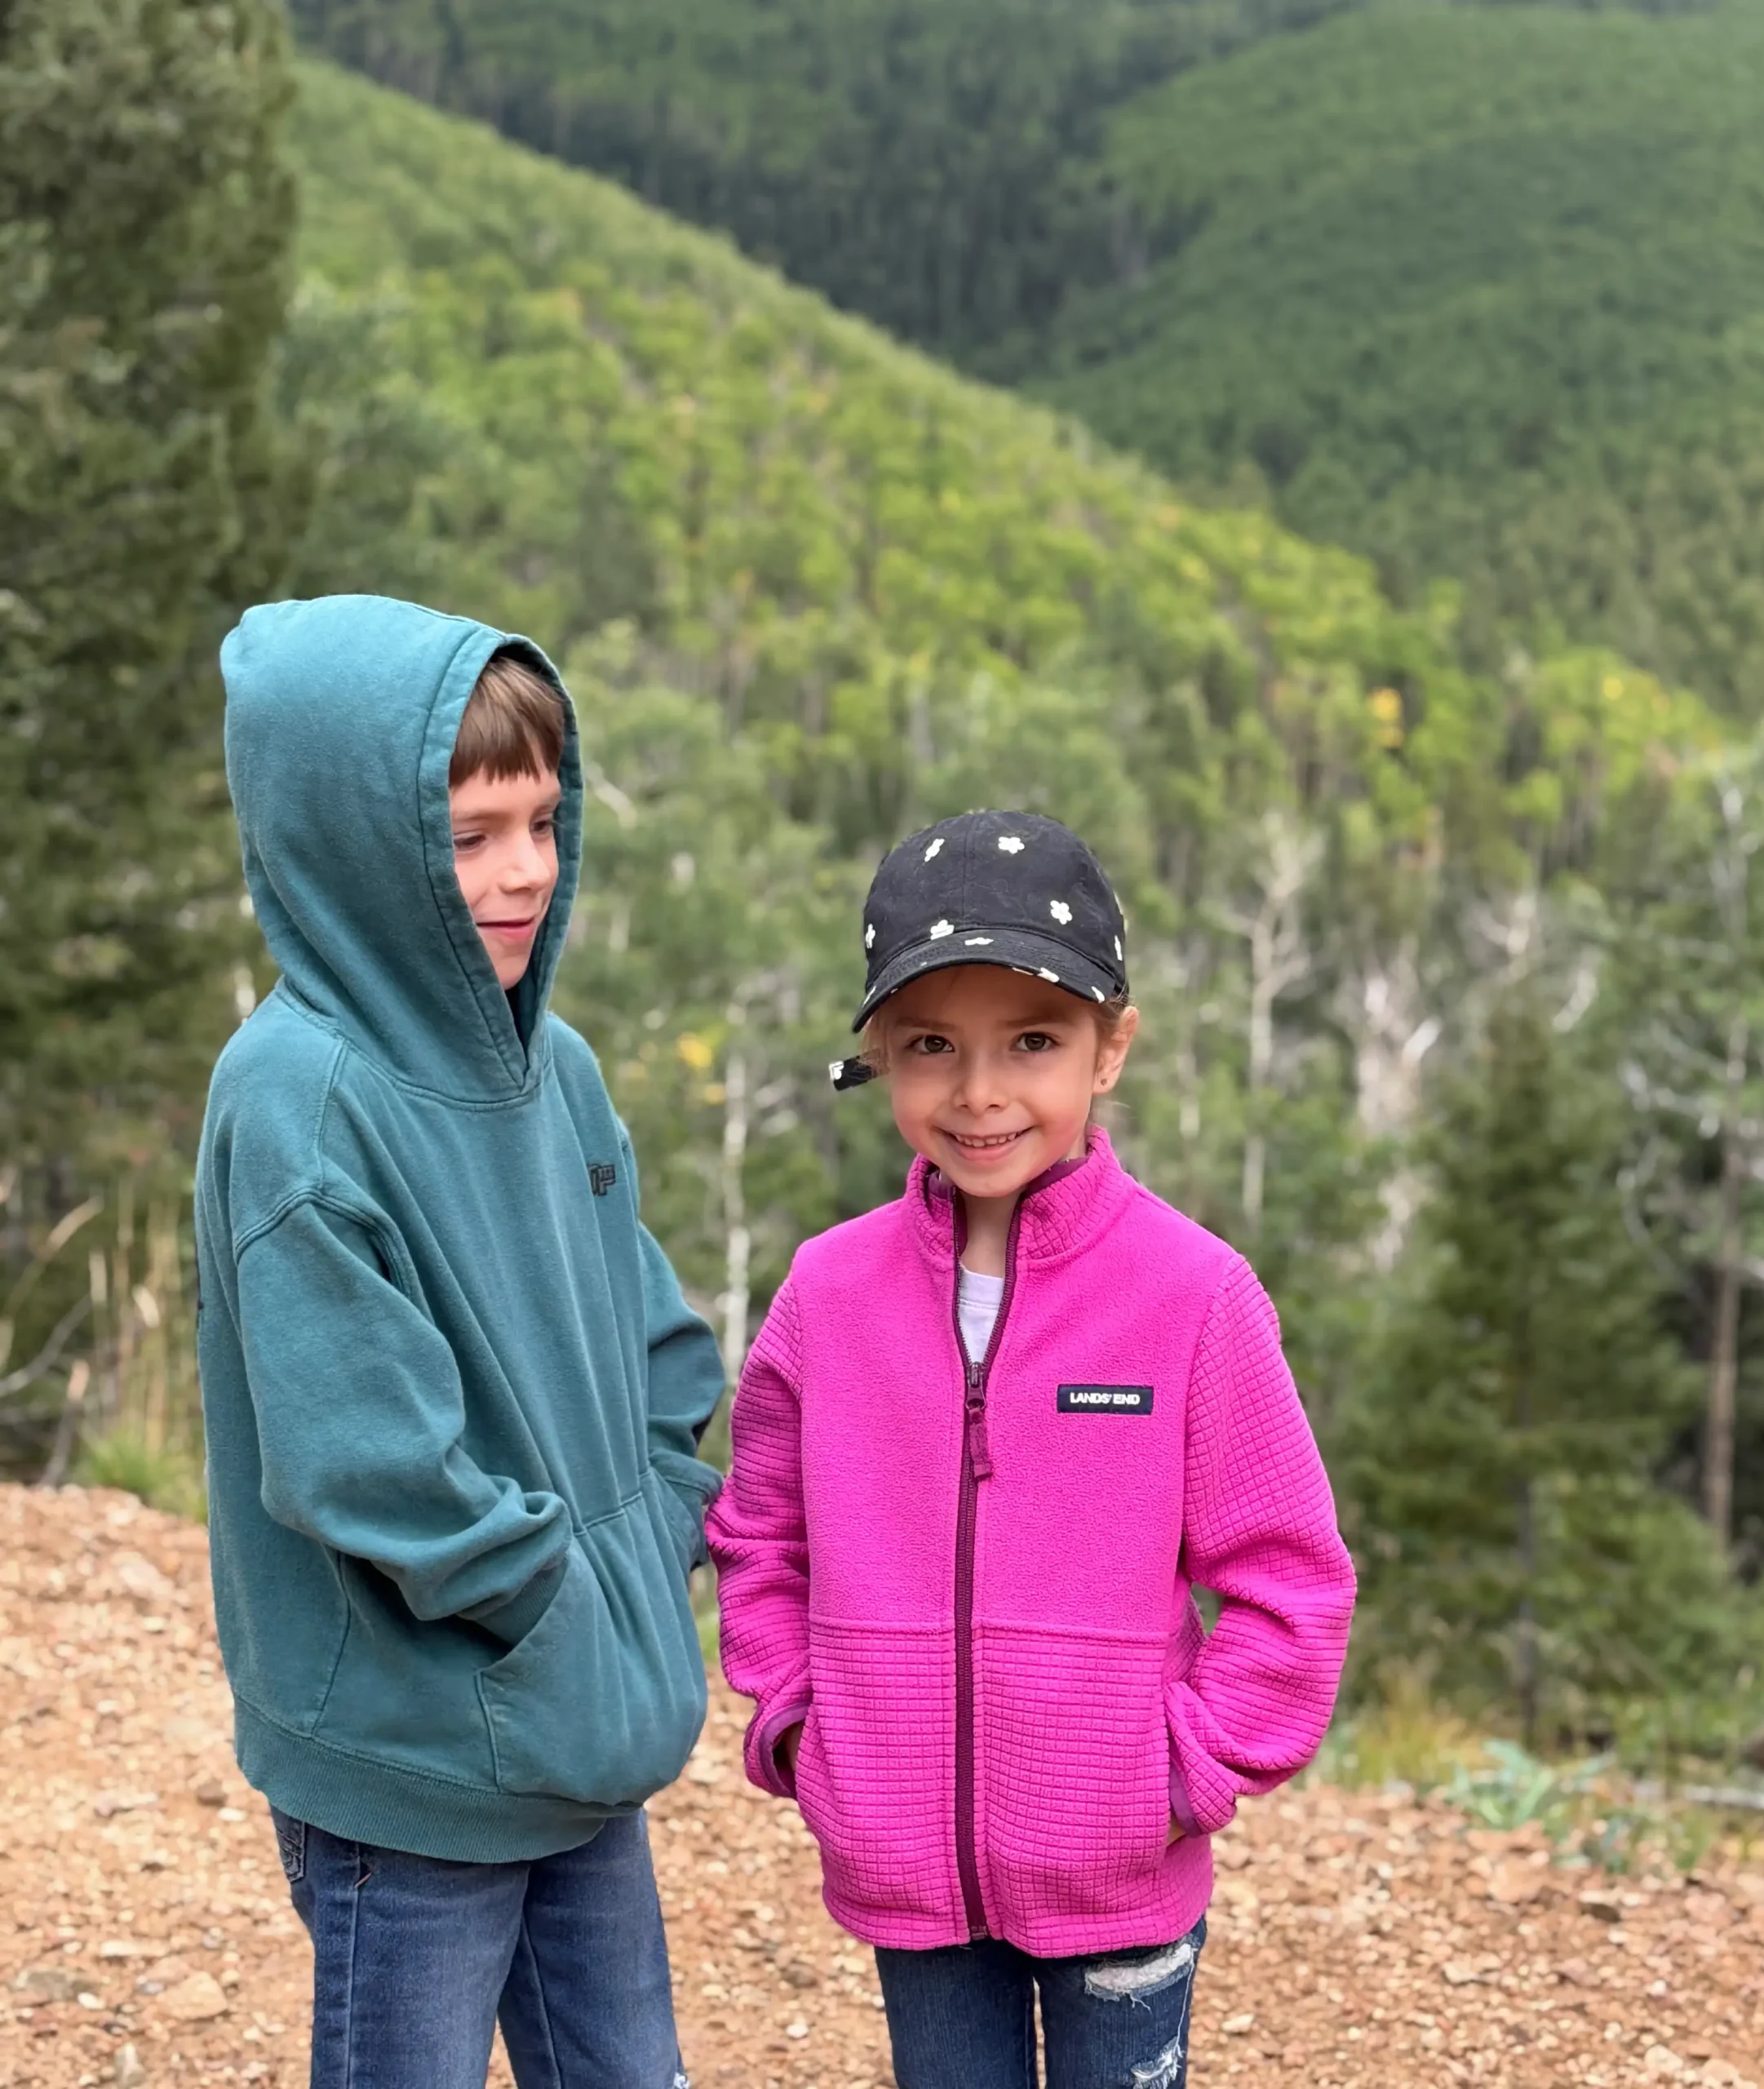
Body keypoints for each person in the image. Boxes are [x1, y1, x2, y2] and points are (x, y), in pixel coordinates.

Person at [707, 809, 1354, 2089]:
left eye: (1034, 1041)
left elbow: (1293, 1580)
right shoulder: (826, 1296)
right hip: (903, 1869)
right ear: (881, 1055)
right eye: (932, 1046)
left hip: (1124, 1875)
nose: (981, 1092)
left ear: (1112, 1049)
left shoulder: (1194, 1294)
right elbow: (757, 1538)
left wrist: (1179, 1772)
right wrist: (798, 1726)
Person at [193, 595, 721, 2089]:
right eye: (471, 832)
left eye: (544, 822)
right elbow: (368, 1465)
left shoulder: (552, 1068)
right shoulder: (297, 1099)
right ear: (352, 841)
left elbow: (657, 1348)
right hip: (415, 1766)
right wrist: (553, 1608)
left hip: (578, 1732)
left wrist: (646, 1543)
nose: (524, 874)